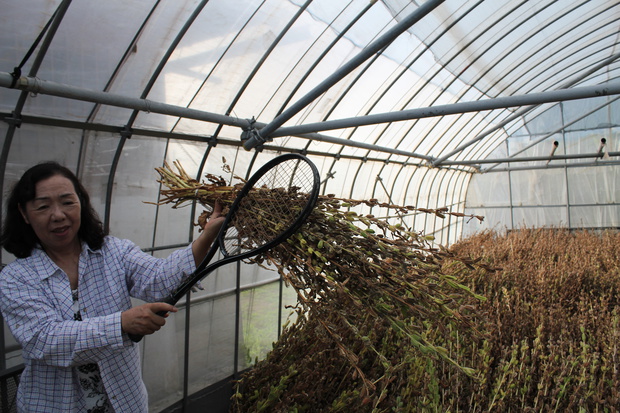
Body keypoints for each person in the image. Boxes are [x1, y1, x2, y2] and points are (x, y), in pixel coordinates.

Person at [0, 161, 225, 413]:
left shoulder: (112, 251)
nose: (58, 215)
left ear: (81, 203)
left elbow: (159, 279)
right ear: (23, 213)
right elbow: (44, 340)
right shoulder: (16, 278)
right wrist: (120, 324)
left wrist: (206, 237)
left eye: (67, 202)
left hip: (124, 402)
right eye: (43, 206)